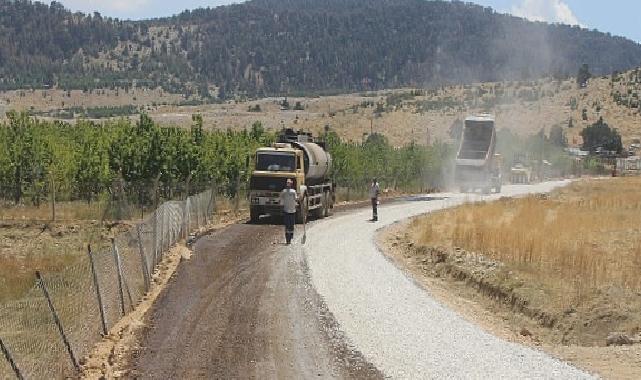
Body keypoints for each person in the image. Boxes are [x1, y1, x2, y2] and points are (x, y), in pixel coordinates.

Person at [280, 178, 297, 244]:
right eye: (287, 183)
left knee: (291, 225)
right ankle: (288, 239)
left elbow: (296, 199)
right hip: (286, 210)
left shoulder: (293, 191)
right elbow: (281, 199)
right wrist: (281, 206)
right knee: (287, 225)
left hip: (293, 211)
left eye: (289, 183)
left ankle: (291, 236)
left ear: (291, 184)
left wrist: (300, 199)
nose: (288, 184)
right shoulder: (283, 192)